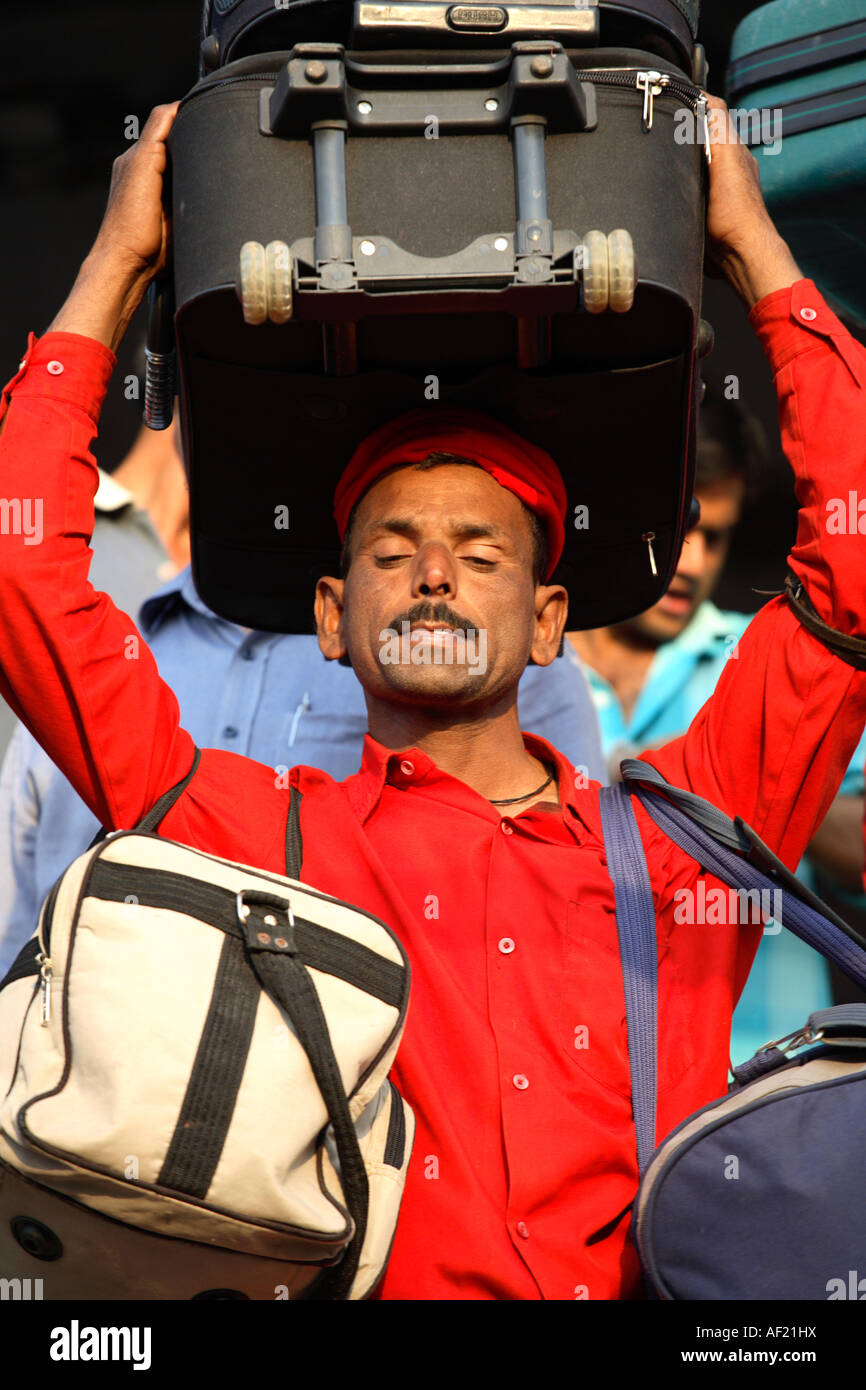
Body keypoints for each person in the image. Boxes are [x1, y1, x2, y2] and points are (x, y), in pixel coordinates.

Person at [0, 98, 864, 1301]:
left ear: (551, 619)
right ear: (330, 617)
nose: (435, 570)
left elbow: (856, 566)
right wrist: (119, 263)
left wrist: (747, 253)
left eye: (483, 550)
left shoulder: (684, 842)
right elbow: (21, 574)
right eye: (391, 548)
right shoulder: (252, 839)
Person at [569, 399, 866, 1059]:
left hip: (765, 1084)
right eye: (679, 531)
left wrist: (752, 786)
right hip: (582, 1079)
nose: (696, 562)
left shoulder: (777, 666)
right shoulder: (521, 676)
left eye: (718, 537)